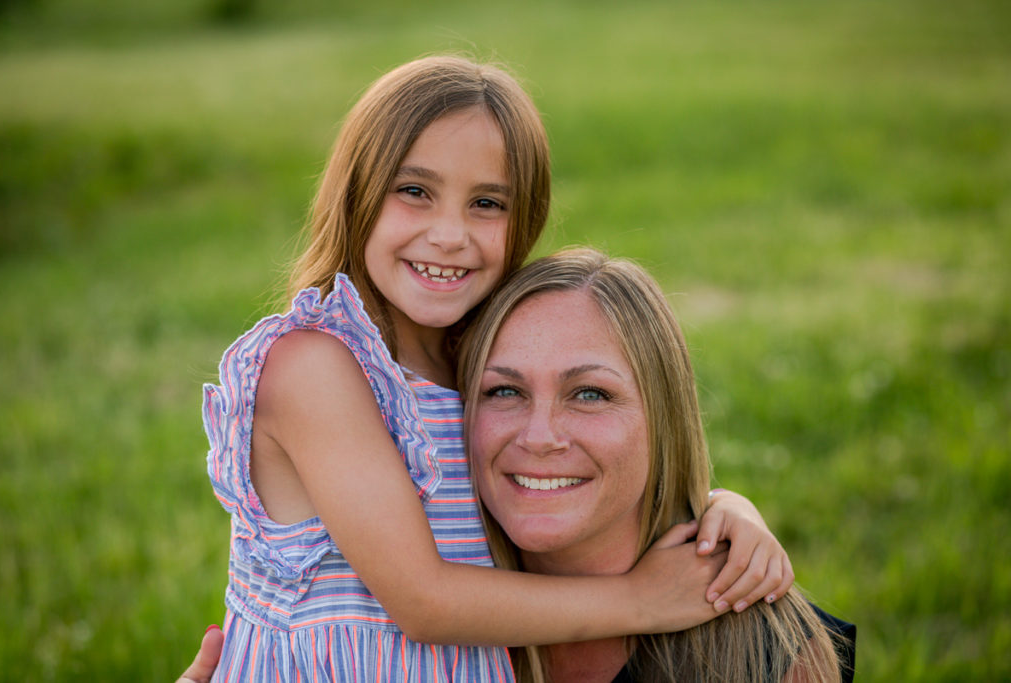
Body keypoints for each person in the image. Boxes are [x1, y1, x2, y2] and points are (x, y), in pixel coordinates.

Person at [196, 55, 796, 682]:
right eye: (414, 191)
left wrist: (727, 511)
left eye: (486, 202)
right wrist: (642, 601)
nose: (450, 234)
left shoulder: (473, 361)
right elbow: (424, 602)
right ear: (357, 195)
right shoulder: (317, 365)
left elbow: (553, 479)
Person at [458, 248, 856, 682]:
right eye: (503, 391)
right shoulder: (421, 603)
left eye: (590, 394)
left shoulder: (765, 655)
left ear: (664, 420)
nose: (538, 437)